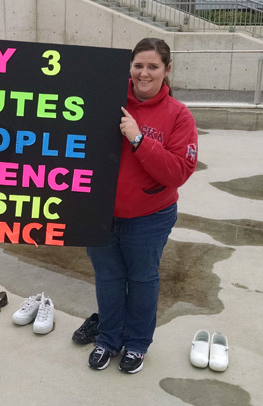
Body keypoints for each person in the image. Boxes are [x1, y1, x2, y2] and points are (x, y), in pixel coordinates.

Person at [85, 38, 198, 374]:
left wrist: (138, 139)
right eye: (138, 65)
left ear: (166, 70)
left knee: (142, 280)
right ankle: (107, 338)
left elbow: (178, 171)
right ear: (129, 67)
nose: (144, 73)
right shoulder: (105, 99)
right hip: (99, 212)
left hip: (149, 217)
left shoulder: (178, 115)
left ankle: (136, 344)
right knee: (107, 279)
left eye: (153, 66)